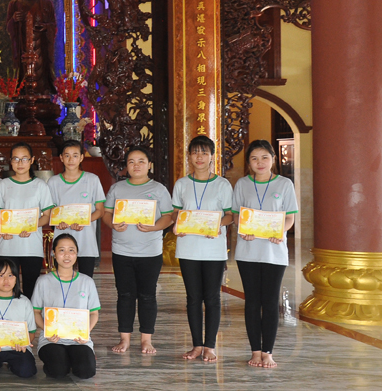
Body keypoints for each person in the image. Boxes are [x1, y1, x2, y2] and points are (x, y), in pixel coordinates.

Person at [102, 145, 174, 355]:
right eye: (131, 162)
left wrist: (154, 227)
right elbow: (106, 214)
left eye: (141, 161)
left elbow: (169, 217)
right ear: (126, 166)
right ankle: (124, 339)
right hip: (122, 251)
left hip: (150, 252)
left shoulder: (159, 189)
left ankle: (146, 340)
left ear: (149, 165)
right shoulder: (117, 188)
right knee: (124, 295)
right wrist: (113, 224)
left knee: (147, 296)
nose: (136, 165)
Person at [234, 140, 298, 369]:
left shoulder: (284, 184)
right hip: (247, 251)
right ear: (248, 162)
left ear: (273, 159)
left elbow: (289, 217)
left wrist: (281, 231)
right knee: (252, 302)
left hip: (274, 252)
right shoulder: (242, 184)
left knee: (270, 302)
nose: (259, 162)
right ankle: (255, 351)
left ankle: (268, 352)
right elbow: (236, 215)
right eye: (254, 158)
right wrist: (242, 228)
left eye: (264, 157)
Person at [171, 135, 234, 363]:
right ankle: (197, 345)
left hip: (213, 250)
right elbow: (175, 213)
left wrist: (217, 225)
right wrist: (177, 224)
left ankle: (210, 346)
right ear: (189, 156)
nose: (199, 157)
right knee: (193, 298)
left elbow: (230, 215)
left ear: (212, 156)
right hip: (188, 248)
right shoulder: (181, 184)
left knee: (212, 298)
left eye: (204, 152)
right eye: (195, 152)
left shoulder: (222, 185)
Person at [32, 234, 100, 379]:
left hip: (79, 340)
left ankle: (72, 359)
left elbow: (94, 314)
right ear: (54, 253)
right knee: (57, 371)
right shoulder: (43, 281)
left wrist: (86, 332)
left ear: (77, 253)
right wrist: (47, 331)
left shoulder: (87, 282)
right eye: (62, 250)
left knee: (86, 372)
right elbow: (36, 312)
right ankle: (62, 361)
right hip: (51, 340)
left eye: (71, 250)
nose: (67, 255)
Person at [0, 142, 55, 297]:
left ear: (32, 160)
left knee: (31, 289)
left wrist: (31, 226)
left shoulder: (40, 186)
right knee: (6, 288)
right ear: (10, 161)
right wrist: (4, 227)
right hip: (7, 245)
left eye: (24, 159)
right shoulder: (3, 185)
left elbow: (47, 216)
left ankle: (29, 314)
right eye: (16, 159)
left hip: (31, 246)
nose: (20, 163)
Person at [47, 140, 106, 277]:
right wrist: (57, 222)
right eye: (67, 155)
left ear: (81, 157)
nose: (70, 159)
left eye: (75, 155)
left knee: (86, 279)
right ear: (61, 158)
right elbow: (49, 211)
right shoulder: (53, 182)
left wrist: (83, 221)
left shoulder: (92, 180)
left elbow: (100, 210)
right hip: (62, 239)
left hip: (86, 239)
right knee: (63, 279)